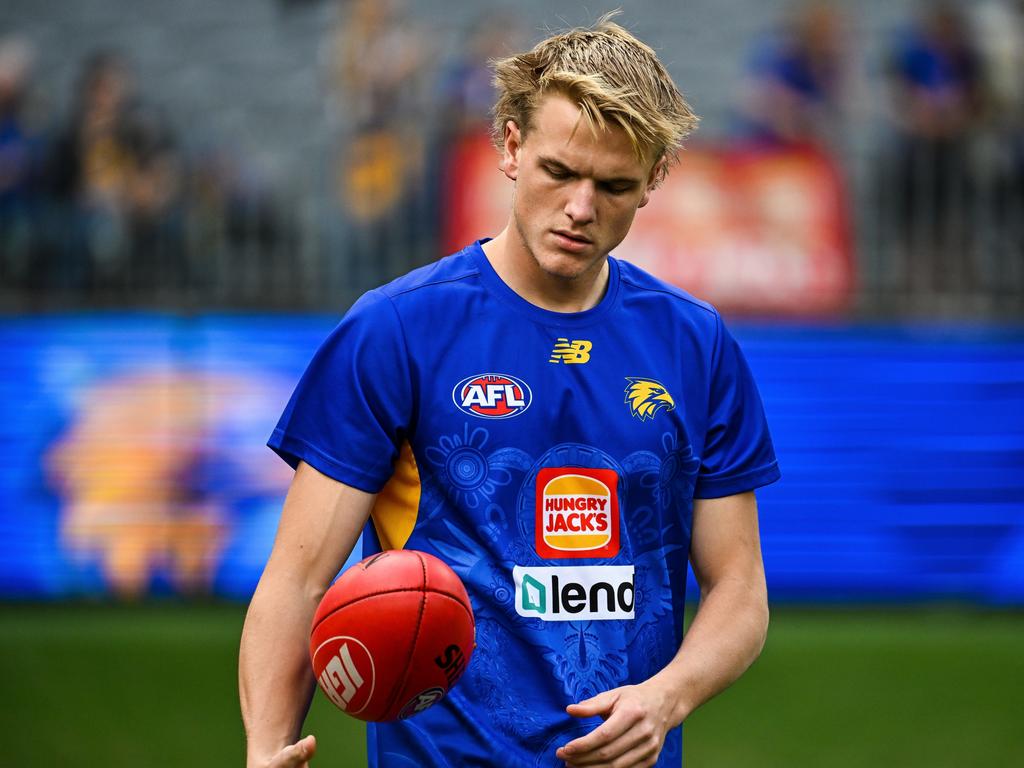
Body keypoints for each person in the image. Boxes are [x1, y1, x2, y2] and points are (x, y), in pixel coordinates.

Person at [240, 15, 780, 768]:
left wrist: (671, 694)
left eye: (616, 185)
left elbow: (740, 592)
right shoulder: (397, 330)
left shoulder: (696, 344)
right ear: (510, 145)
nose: (582, 208)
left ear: (655, 180)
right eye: (560, 172)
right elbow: (297, 580)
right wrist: (266, 748)